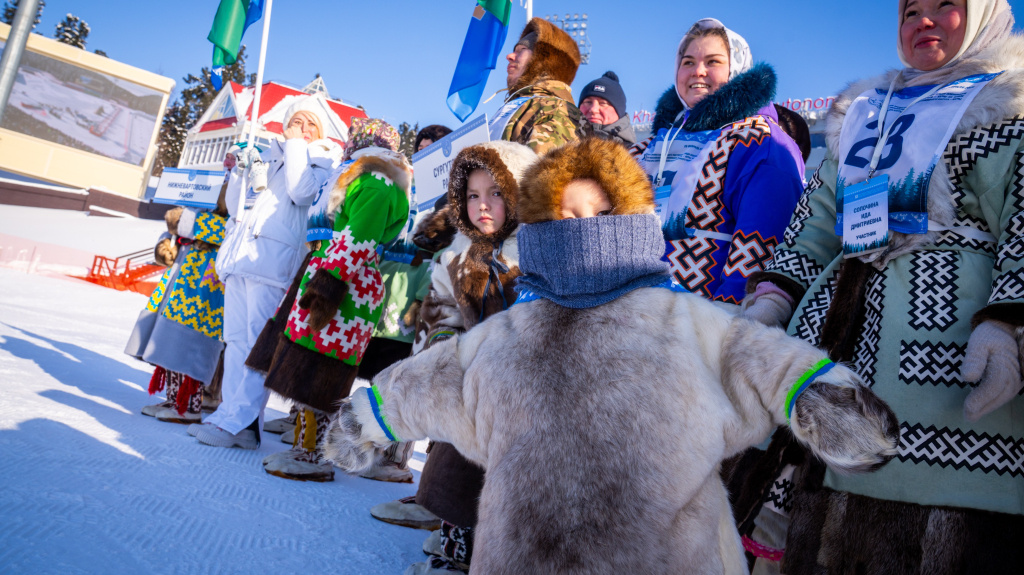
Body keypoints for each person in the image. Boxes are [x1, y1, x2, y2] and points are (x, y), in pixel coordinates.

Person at [322, 137, 900, 574]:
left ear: (630, 219)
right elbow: (435, 380)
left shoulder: (680, 320)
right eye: (566, 218)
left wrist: (819, 397)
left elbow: (755, 357)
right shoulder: (511, 334)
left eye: (598, 216)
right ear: (543, 223)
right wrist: (367, 417)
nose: (582, 232)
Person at [740, 1, 1024, 572]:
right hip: (828, 345)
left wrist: (1008, 325)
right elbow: (816, 222)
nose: (924, 19)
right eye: (910, 9)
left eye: (947, 5)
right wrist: (770, 304)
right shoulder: (864, 111)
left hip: (947, 366)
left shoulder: (1011, 104)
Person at [257, 118, 412, 482]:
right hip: (337, 280)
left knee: (321, 370)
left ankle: (314, 456)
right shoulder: (364, 176)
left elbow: (359, 238)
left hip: (345, 289)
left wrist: (328, 282)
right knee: (310, 361)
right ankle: (304, 447)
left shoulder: (377, 179)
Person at [191, 95, 342, 449]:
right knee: (237, 343)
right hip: (243, 259)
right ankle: (238, 420)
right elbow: (233, 208)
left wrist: (294, 145)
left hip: (273, 264)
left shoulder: (323, 160)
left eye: (311, 124)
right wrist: (239, 171)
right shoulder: (270, 156)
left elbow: (301, 193)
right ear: (285, 122)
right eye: (297, 122)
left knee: (257, 347)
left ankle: (237, 420)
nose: (303, 130)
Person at [631, 18, 805, 305]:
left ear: (736, 69)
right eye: (687, 62)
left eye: (712, 62)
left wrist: (729, 319)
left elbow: (763, 239)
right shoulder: (648, 147)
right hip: (633, 316)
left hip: (702, 323)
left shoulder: (758, 141)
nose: (698, 71)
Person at [125, 197, 228, 425]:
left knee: (189, 344)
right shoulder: (202, 202)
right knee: (168, 340)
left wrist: (183, 220)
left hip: (203, 284)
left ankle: (190, 406)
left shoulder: (236, 210)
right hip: (182, 279)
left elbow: (223, 231)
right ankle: (174, 400)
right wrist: (168, 239)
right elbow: (182, 229)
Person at [493, 17, 586, 155]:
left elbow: (545, 174)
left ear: (543, 60)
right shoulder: (520, 107)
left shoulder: (555, 110)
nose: (510, 56)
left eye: (522, 49)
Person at [577, 71, 637, 146]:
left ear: (619, 112)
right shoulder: (561, 145)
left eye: (603, 103)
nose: (593, 109)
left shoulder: (636, 154)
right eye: (588, 102)